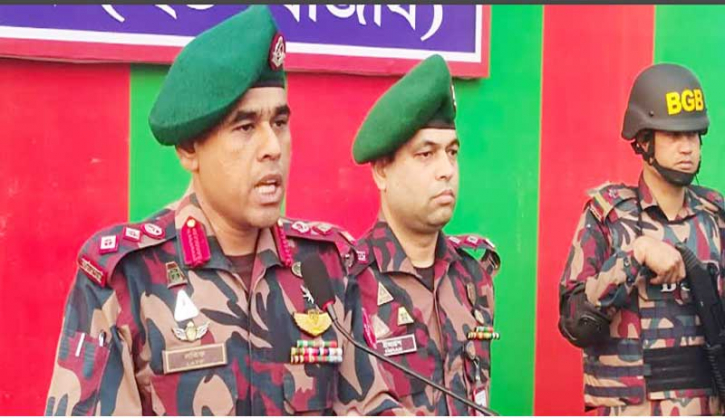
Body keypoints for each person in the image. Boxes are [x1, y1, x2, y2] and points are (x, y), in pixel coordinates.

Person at [45, 6, 406, 415]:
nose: (272, 147)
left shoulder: (327, 265)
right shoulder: (126, 277)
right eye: (245, 127)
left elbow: (372, 404)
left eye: (279, 123)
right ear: (189, 149)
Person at [558, 63, 725, 415]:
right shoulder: (608, 217)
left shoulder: (716, 219)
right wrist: (633, 258)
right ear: (644, 139)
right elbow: (574, 322)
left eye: (694, 135)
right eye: (674, 136)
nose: (687, 148)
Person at [348, 54, 500, 415]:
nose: (446, 170)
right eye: (426, 154)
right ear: (382, 171)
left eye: (452, 152)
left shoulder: (472, 277)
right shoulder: (348, 283)